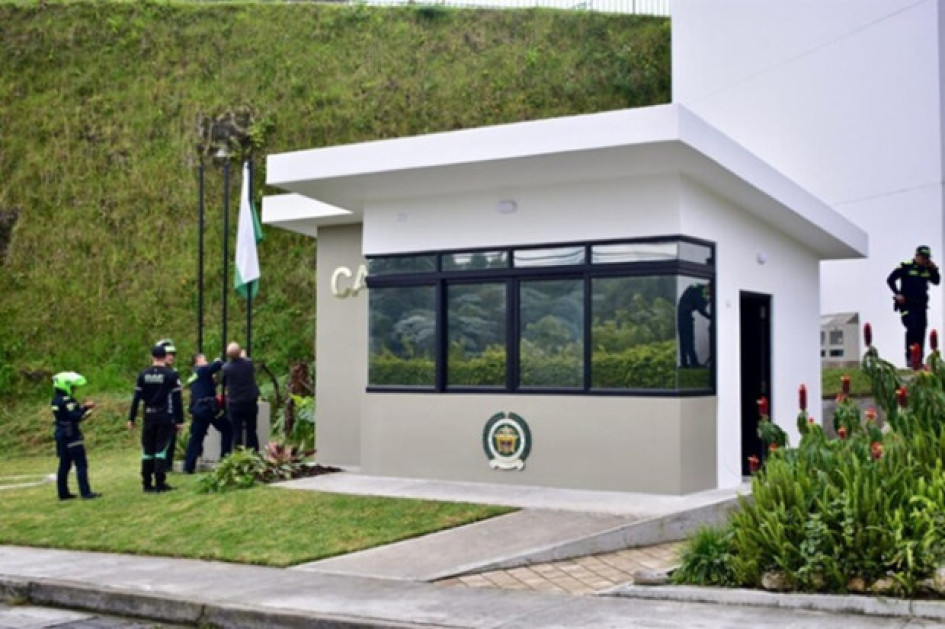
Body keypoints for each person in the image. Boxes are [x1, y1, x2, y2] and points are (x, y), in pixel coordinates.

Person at [127, 344, 184, 493]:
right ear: (165, 357)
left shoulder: (143, 375)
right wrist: (179, 420)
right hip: (164, 415)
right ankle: (160, 482)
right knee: (161, 450)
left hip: (149, 415)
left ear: (152, 357)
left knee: (148, 450)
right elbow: (177, 400)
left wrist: (131, 418)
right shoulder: (171, 375)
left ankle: (146, 483)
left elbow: (136, 398)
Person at [51, 371, 101, 500]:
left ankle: (63, 493)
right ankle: (85, 492)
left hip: (60, 433)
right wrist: (86, 409)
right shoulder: (67, 400)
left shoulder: (55, 400)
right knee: (81, 464)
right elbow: (75, 416)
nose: (73, 389)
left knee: (64, 464)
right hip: (71, 434)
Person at [887, 245, 940, 365]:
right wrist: (897, 294)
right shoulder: (906, 266)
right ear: (916, 256)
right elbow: (890, 279)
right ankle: (910, 358)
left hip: (921, 306)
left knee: (921, 331)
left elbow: (936, 281)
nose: (924, 260)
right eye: (922, 257)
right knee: (912, 329)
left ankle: (919, 360)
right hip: (907, 305)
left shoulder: (927, 269)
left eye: (927, 258)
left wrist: (934, 269)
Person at [183, 353, 232, 473]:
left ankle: (188, 467)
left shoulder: (195, 375)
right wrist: (218, 361)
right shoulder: (202, 370)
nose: (206, 361)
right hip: (208, 409)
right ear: (197, 361)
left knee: (195, 438)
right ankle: (225, 459)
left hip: (198, 410)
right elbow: (216, 366)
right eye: (204, 359)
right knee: (228, 430)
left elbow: (205, 387)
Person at [222, 342, 260, 452]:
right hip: (250, 402)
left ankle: (239, 454)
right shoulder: (249, 364)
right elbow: (245, 360)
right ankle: (253, 453)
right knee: (251, 430)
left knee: (237, 431)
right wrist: (242, 355)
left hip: (235, 404)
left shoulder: (227, 368)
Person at [156, 338, 179, 470]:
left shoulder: (173, 372)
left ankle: (167, 464)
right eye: (167, 354)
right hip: (161, 412)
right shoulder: (157, 373)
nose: (170, 357)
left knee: (171, 439)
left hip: (171, 412)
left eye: (172, 354)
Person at [677, 282, 711, 368]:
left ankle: (684, 363)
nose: (709, 294)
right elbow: (701, 308)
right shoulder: (700, 290)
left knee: (684, 340)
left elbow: (699, 304)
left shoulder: (697, 287)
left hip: (683, 314)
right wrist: (711, 317)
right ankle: (694, 362)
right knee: (689, 339)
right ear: (708, 287)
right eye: (710, 292)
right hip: (685, 315)